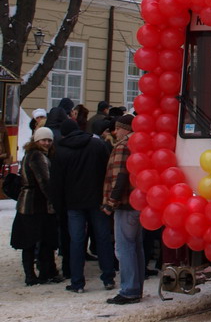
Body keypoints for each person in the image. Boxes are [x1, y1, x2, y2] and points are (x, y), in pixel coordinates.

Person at [49, 115, 115, 293]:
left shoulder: (60, 151)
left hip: (74, 203)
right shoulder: (97, 145)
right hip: (97, 200)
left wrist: (58, 205)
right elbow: (108, 171)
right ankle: (108, 277)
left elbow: (56, 182)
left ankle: (77, 282)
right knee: (103, 238)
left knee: (76, 241)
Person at [9, 127, 61, 285]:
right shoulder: (37, 156)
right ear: (36, 141)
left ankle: (35, 274)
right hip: (35, 204)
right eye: (44, 140)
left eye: (49, 140)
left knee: (32, 241)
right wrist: (55, 200)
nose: (47, 143)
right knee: (36, 240)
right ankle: (36, 274)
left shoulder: (33, 154)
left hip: (29, 203)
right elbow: (44, 182)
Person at [103, 114, 143, 305]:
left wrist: (111, 202)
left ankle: (129, 289)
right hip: (137, 202)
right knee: (136, 247)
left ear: (124, 129)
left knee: (125, 247)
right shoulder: (139, 143)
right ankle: (136, 286)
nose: (115, 131)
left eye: (118, 128)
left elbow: (119, 176)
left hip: (125, 203)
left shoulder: (122, 145)